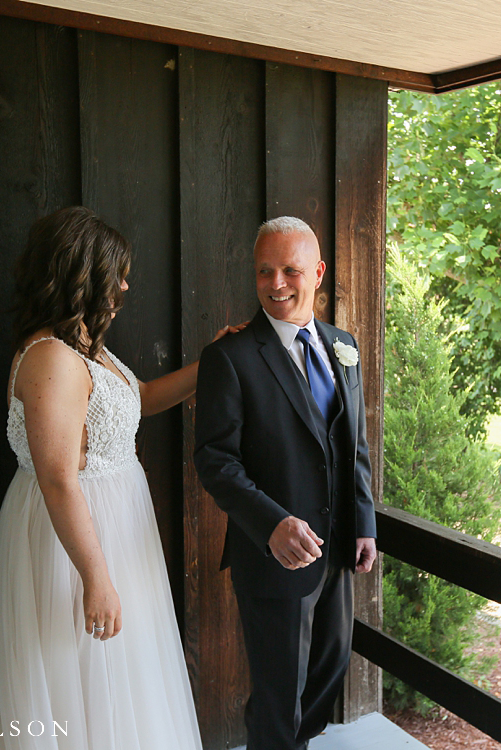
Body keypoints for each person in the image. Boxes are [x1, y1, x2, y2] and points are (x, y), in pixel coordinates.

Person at [0, 206, 241, 749]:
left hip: (116, 525)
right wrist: (96, 579)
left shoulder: (82, 341)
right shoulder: (51, 358)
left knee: (119, 681)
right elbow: (57, 478)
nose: (126, 284)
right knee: (73, 674)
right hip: (71, 543)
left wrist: (213, 361)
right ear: (83, 273)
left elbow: (140, 397)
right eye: (117, 272)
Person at [193, 216, 378, 750]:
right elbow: (215, 461)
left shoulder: (343, 346)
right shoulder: (229, 357)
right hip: (272, 558)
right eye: (264, 272)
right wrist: (272, 525)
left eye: (290, 270)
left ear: (317, 273)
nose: (276, 284)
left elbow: (355, 446)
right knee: (277, 699)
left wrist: (363, 523)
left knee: (326, 677)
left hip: (337, 550)